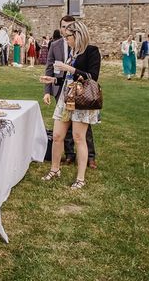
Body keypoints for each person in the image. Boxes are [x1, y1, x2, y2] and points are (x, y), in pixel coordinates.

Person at [40, 20, 101, 189]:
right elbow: (67, 78)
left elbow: (92, 77)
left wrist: (70, 68)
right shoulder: (72, 53)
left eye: (68, 37)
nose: (66, 40)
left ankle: (80, 178)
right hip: (66, 97)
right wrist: (52, 79)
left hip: (82, 99)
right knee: (58, 135)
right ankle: (54, 169)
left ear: (77, 35)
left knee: (78, 138)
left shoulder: (92, 51)